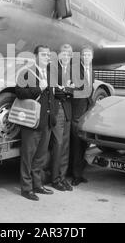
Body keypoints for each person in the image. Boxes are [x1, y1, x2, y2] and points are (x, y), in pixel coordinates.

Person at [15, 45, 57, 201]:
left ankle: (37, 185)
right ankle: (26, 188)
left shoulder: (50, 73)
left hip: (46, 122)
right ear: (36, 56)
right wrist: (38, 89)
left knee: (40, 156)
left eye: (48, 55)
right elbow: (19, 92)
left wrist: (53, 115)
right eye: (43, 54)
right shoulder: (27, 72)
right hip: (32, 121)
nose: (47, 57)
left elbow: (52, 97)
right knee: (28, 156)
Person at [50, 44, 74, 191]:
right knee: (57, 145)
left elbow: (76, 89)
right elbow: (54, 91)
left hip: (67, 110)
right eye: (63, 54)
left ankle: (62, 177)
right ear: (59, 55)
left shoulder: (72, 71)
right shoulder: (53, 68)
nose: (66, 57)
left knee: (65, 145)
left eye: (69, 54)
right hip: (57, 109)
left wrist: (64, 89)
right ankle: (54, 179)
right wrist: (66, 90)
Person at [70, 45, 94, 186]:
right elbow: (70, 90)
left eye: (88, 55)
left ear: (92, 57)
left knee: (84, 144)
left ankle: (81, 172)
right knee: (76, 145)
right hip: (76, 111)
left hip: (86, 110)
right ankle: (75, 175)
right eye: (84, 55)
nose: (86, 57)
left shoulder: (92, 69)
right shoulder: (75, 70)